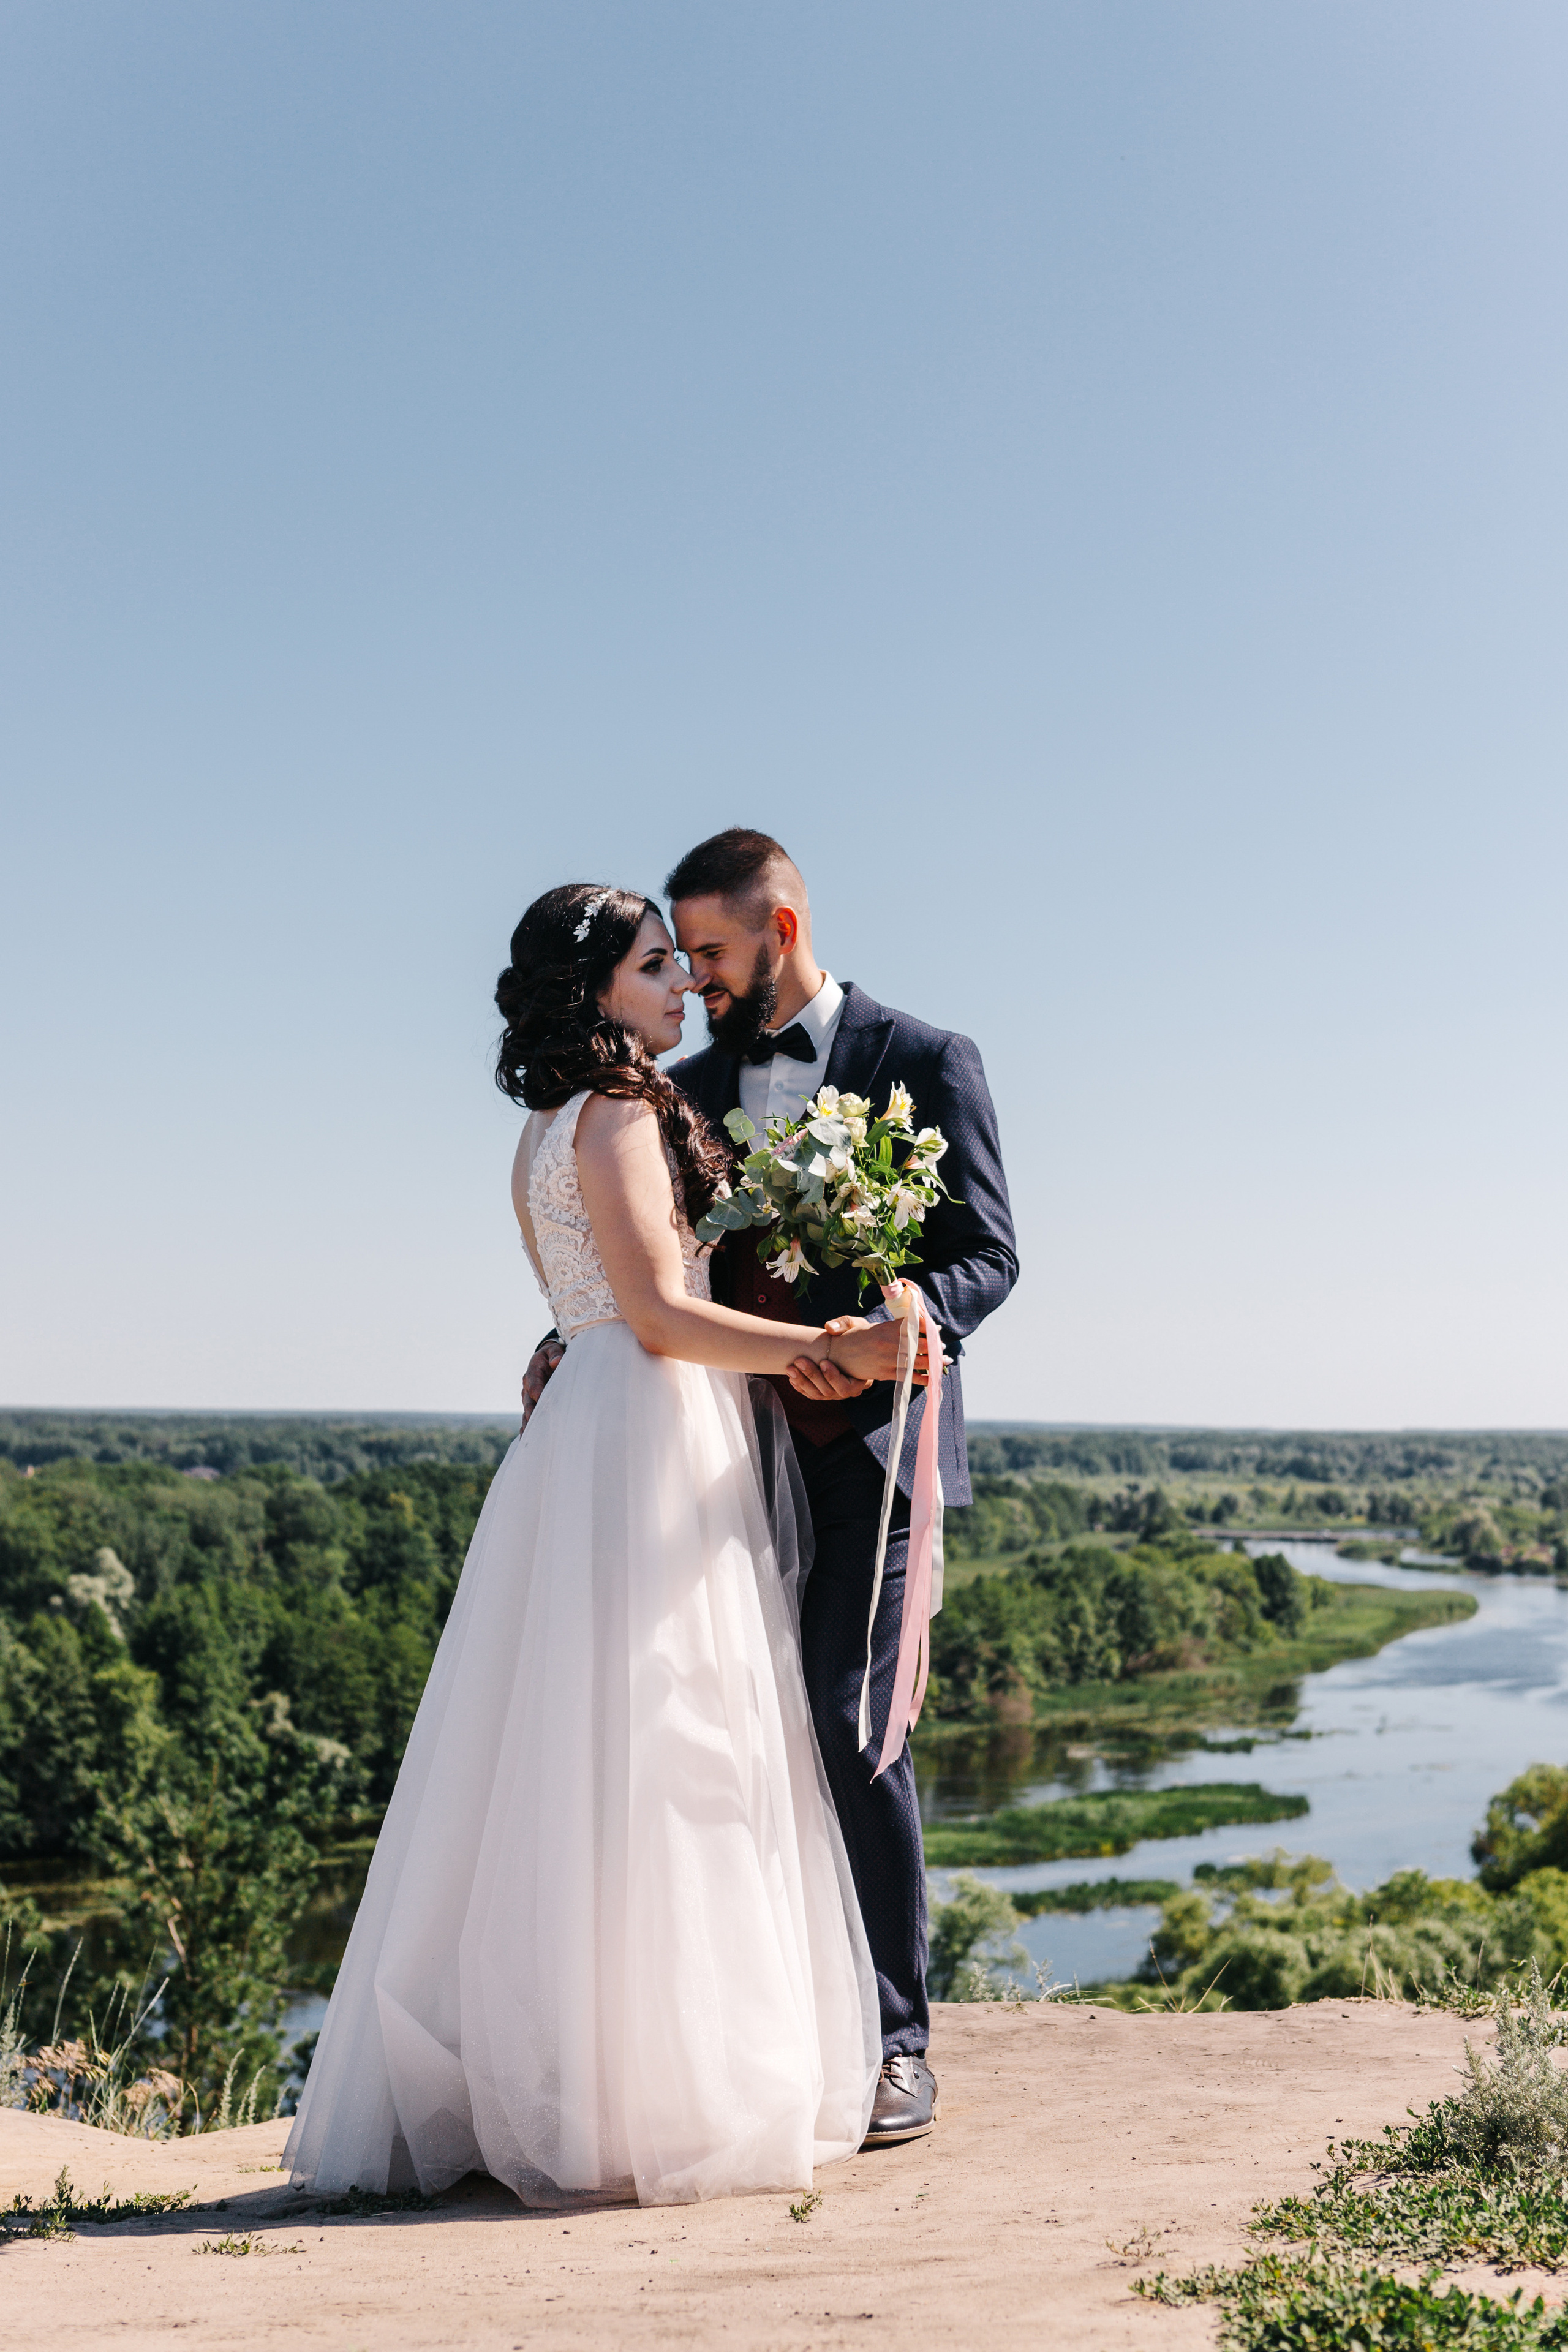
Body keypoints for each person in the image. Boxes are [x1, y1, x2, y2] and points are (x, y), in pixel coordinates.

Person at [285, 883, 913, 2208]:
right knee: (672, 1739)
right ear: (596, 991)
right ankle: (666, 2092)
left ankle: (574, 2070)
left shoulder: (544, 1123)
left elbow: (596, 1312)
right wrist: (827, 1347)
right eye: (652, 966)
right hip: (644, 1429)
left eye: (680, 962)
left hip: (590, 1427)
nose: (680, 984)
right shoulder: (621, 1111)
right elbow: (657, 1314)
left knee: (565, 1756)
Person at [525, 831, 1019, 2145]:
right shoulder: (677, 1086)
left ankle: (897, 2044)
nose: (694, 975)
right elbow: (650, 1271)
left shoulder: (924, 1061)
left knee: (851, 1717)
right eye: (677, 956)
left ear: (781, 930)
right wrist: (573, 1342)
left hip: (872, 1443)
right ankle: (764, 2029)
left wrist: (913, 1313)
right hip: (718, 1449)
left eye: (712, 952)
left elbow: (987, 1252)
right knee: (720, 1728)